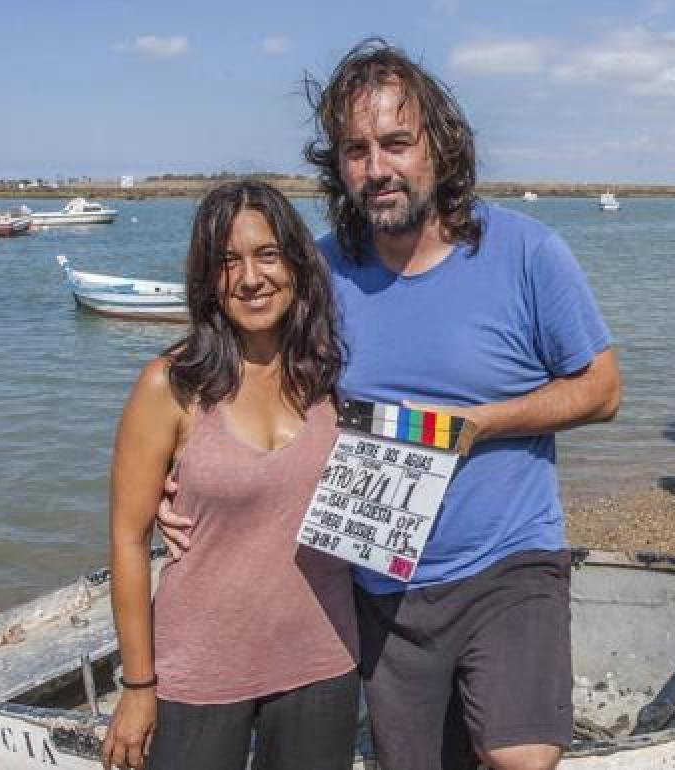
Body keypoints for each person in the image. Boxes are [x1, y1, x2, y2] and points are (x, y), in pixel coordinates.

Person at [160, 39, 620, 770]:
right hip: (381, 586)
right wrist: (175, 479)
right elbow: (247, 376)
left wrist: (485, 424)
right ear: (337, 164)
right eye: (355, 149)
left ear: (439, 145)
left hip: (507, 560)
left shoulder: (529, 253)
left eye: (396, 143)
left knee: (521, 755)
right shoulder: (316, 271)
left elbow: (602, 390)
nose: (376, 169)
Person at [102, 180, 360, 770]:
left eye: (267, 254)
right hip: (198, 670)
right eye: (227, 262)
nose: (250, 278)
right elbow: (126, 539)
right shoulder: (170, 386)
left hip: (322, 660)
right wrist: (139, 687)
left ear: (296, 262)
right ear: (208, 282)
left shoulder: (332, 378)